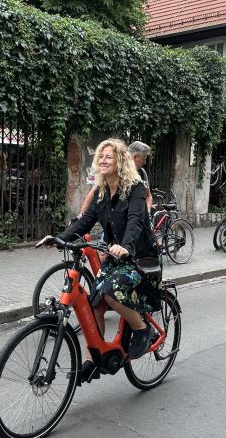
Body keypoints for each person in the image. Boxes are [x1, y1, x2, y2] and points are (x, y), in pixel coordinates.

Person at [40, 138, 159, 382]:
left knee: (109, 290)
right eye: (101, 157)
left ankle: (142, 329)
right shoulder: (103, 191)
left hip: (139, 257)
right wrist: (59, 238)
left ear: (120, 161)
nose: (103, 160)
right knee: (94, 304)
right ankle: (94, 360)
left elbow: (136, 221)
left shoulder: (134, 188)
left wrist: (125, 246)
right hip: (116, 256)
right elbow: (86, 221)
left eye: (109, 156)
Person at [128, 141, 153, 211]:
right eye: (143, 159)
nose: (145, 162)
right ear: (134, 157)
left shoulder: (142, 172)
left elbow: (148, 196)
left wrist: (148, 211)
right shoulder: (118, 172)